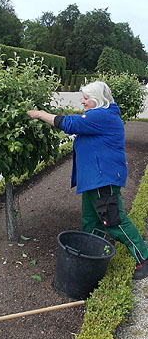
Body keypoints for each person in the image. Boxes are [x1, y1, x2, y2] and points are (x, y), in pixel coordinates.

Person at [27, 80, 148, 280]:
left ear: (96, 100)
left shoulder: (102, 115)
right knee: (91, 222)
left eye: (85, 98)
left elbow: (69, 123)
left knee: (114, 221)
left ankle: (143, 258)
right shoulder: (101, 115)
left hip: (102, 179)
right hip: (94, 180)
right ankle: (94, 258)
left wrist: (39, 114)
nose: (82, 101)